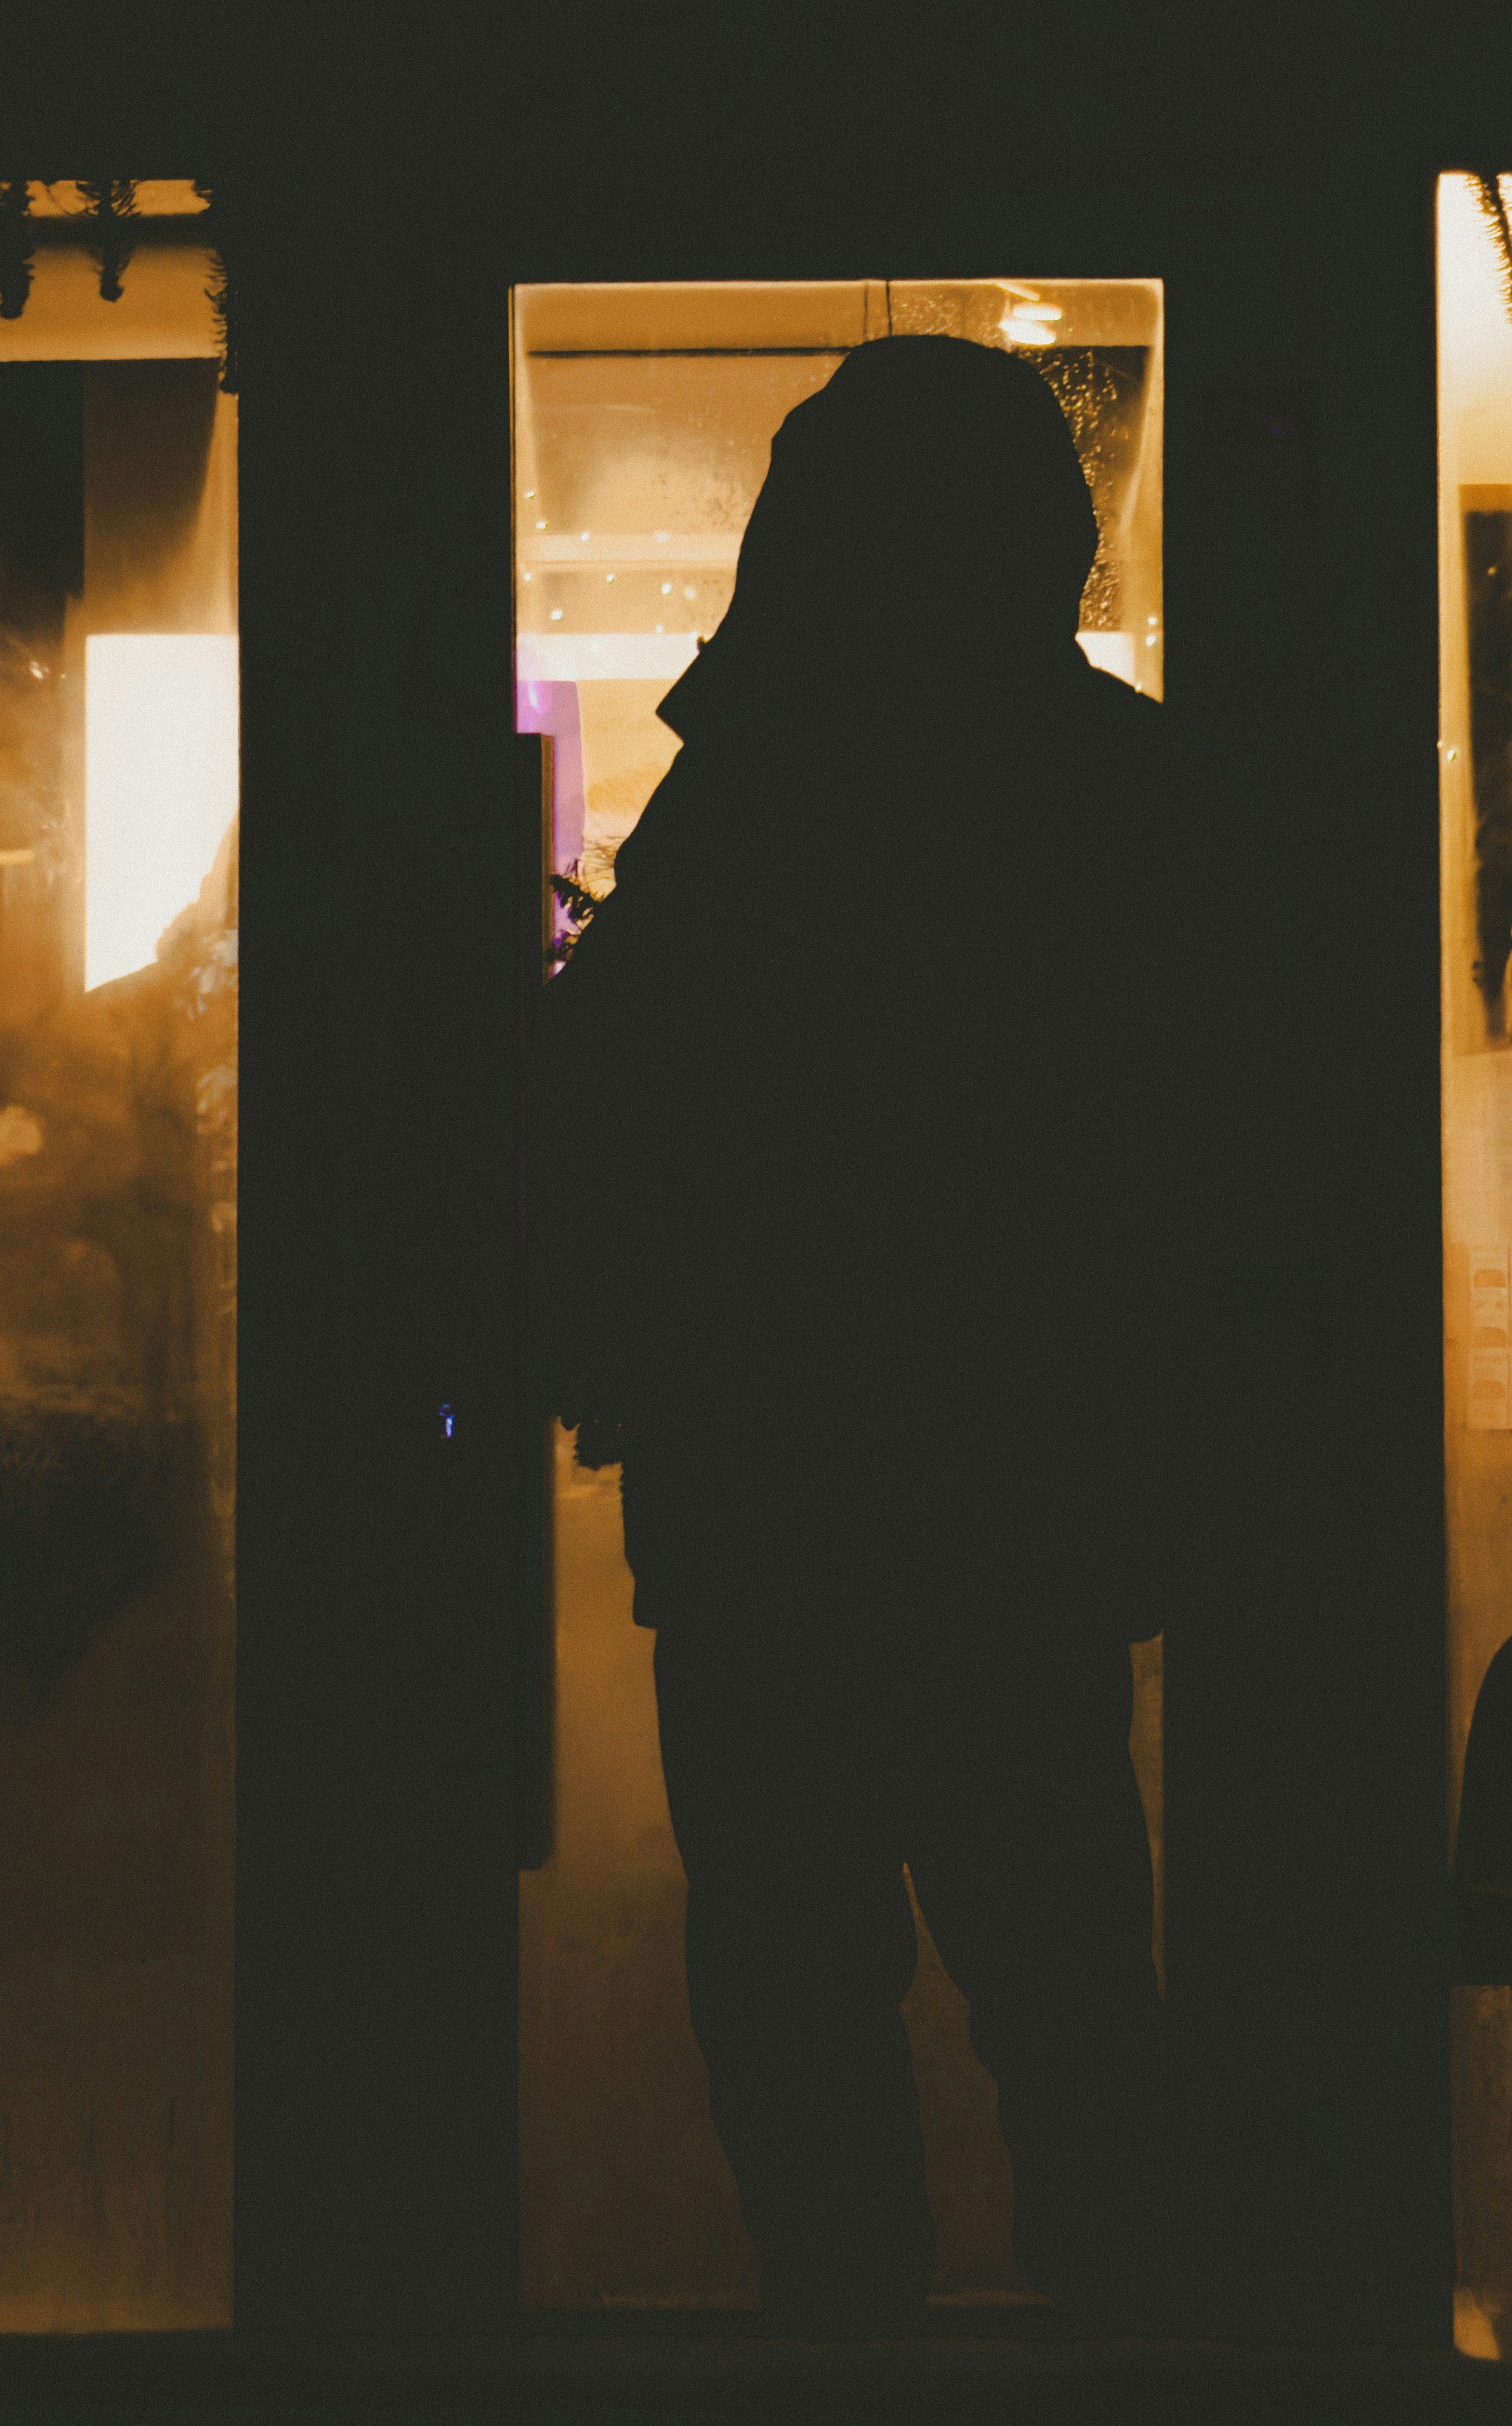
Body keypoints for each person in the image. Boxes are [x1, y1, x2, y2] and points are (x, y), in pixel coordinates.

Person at [530, 336, 1200, 2329]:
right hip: (1032, 1508)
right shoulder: (1128, 789)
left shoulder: (745, 800)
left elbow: (602, 1126)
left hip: (766, 1512)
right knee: (1068, 1980)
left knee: (794, 1990)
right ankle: (1111, 2346)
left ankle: (851, 2344)